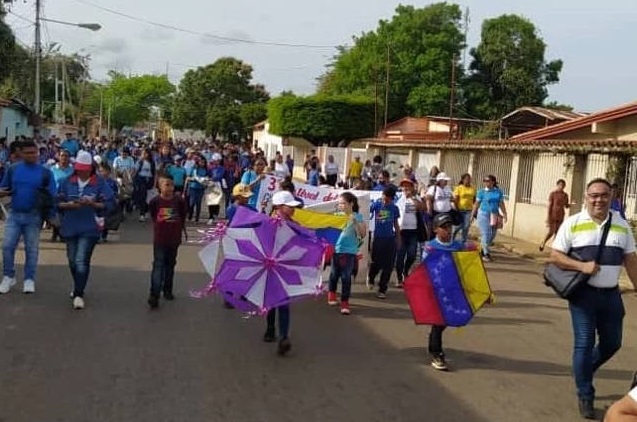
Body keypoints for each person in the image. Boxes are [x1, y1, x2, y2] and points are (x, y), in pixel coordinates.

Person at [549, 178, 637, 420]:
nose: (599, 199)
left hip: (611, 296)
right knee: (584, 344)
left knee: (613, 343)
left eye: (604, 195)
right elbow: (555, 256)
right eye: (594, 195)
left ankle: (583, 371)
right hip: (583, 296)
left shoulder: (622, 225)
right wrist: (581, 265)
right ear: (586, 197)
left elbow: (630, 259)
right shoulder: (573, 223)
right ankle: (585, 393)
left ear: (612, 197)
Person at [57, 151, 115, 309]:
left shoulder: (100, 183)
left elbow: (109, 204)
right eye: (79, 168)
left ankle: (78, 293)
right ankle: (78, 285)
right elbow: (57, 202)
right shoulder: (66, 182)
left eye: (85, 168)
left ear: (91, 168)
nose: (82, 171)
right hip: (70, 225)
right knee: (72, 260)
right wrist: (68, 205)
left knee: (81, 260)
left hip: (90, 226)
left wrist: (93, 204)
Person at [0, 140, 56, 294]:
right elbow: (5, 188)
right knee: (7, 246)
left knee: (31, 249)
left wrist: (52, 216)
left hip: (34, 216)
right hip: (14, 214)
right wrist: (3, 193)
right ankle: (8, 276)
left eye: (34, 152)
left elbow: (52, 195)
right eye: (28, 153)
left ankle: (29, 279)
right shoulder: (13, 169)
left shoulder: (46, 173)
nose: (32, 155)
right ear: (21, 154)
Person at [422, 213, 472, 371]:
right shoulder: (430, 247)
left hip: (453, 290)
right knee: (439, 322)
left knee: (447, 320)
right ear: (436, 229)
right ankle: (437, 353)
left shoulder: (457, 246)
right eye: (444, 227)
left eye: (450, 227)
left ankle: (433, 341)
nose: (448, 230)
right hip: (436, 290)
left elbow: (467, 265)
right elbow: (424, 270)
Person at [264, 190, 302, 356]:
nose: (293, 209)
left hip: (287, 269)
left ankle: (284, 337)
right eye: (290, 206)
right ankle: (271, 329)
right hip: (271, 268)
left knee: (284, 303)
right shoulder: (269, 223)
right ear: (279, 207)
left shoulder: (295, 225)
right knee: (272, 302)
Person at [147, 173, 187, 309]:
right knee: (158, 265)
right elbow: (153, 215)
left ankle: (168, 290)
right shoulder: (155, 202)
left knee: (170, 265)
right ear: (159, 186)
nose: (170, 188)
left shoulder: (179, 201)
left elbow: (182, 215)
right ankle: (154, 294)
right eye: (166, 185)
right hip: (160, 239)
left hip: (174, 239)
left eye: (171, 185)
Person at [327, 192, 367, 315]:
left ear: (351, 204)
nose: (341, 206)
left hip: (349, 252)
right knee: (334, 274)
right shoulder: (336, 216)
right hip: (336, 251)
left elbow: (362, 234)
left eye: (343, 203)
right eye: (339, 204)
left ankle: (345, 303)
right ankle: (332, 295)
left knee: (346, 277)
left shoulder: (358, 216)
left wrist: (355, 221)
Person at [367, 186, 401, 299]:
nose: (385, 201)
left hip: (390, 240)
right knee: (376, 263)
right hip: (378, 239)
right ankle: (371, 277)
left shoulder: (394, 209)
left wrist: (398, 238)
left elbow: (396, 224)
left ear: (392, 199)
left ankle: (382, 289)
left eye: (388, 200)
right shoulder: (376, 205)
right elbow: (365, 211)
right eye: (384, 198)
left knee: (388, 266)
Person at [395, 179, 426, 287]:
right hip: (401, 232)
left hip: (413, 231)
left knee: (412, 255)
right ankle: (399, 278)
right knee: (400, 256)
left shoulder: (416, 198)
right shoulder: (398, 198)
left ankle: (405, 270)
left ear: (412, 188)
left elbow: (422, 208)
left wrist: (412, 198)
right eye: (404, 186)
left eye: (408, 186)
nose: (406, 188)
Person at [471, 175, 507, 262]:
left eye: (488, 181)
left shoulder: (498, 192)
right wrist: (472, 215)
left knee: (493, 234)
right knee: (485, 234)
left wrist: (505, 213)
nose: (486, 183)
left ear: (493, 182)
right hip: (483, 214)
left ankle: (483, 248)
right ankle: (486, 254)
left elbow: (501, 203)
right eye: (485, 181)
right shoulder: (481, 192)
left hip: (494, 214)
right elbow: (476, 204)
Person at [50, 150, 75, 242]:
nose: (64, 158)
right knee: (55, 214)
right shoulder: (53, 169)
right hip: (55, 194)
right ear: (59, 157)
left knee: (66, 215)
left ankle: (63, 233)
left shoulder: (72, 170)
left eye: (66, 156)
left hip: (68, 195)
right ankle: (55, 231)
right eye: (62, 155)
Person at [539, 179, 570, 252]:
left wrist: (570, 204)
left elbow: (566, 205)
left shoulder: (565, 195)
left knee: (558, 232)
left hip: (561, 215)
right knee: (551, 231)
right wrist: (548, 217)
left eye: (563, 185)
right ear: (557, 185)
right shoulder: (553, 194)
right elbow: (550, 205)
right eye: (560, 185)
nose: (561, 187)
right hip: (553, 215)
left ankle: (554, 248)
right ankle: (543, 242)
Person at [133, 148, 156, 222]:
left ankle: (146, 211)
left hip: (149, 180)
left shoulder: (152, 162)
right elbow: (135, 171)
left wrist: (155, 184)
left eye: (145, 153)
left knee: (148, 198)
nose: (144, 155)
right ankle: (142, 214)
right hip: (141, 179)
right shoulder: (140, 161)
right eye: (143, 153)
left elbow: (155, 173)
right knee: (142, 196)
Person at [98, 163, 119, 243]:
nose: (101, 173)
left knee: (106, 220)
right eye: (100, 171)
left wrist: (115, 199)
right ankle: (99, 235)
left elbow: (116, 192)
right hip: (99, 203)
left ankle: (104, 236)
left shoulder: (112, 182)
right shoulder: (98, 182)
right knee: (99, 220)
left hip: (108, 203)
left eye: (103, 171)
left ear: (108, 172)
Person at [452, 173, 476, 243]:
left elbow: (474, 200)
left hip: (469, 211)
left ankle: (463, 242)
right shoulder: (459, 188)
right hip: (460, 210)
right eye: (466, 179)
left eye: (469, 179)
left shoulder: (472, 189)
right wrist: (457, 210)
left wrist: (474, 211)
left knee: (466, 227)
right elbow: (455, 200)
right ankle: (451, 240)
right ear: (463, 180)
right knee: (457, 226)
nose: (468, 180)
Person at [184, 154, 208, 223]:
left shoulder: (205, 170)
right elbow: (188, 177)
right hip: (193, 187)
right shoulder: (194, 169)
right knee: (191, 203)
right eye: (201, 162)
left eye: (203, 162)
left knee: (199, 203)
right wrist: (194, 179)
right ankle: (190, 215)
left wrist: (205, 181)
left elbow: (207, 178)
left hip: (201, 188)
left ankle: (197, 218)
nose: (202, 163)